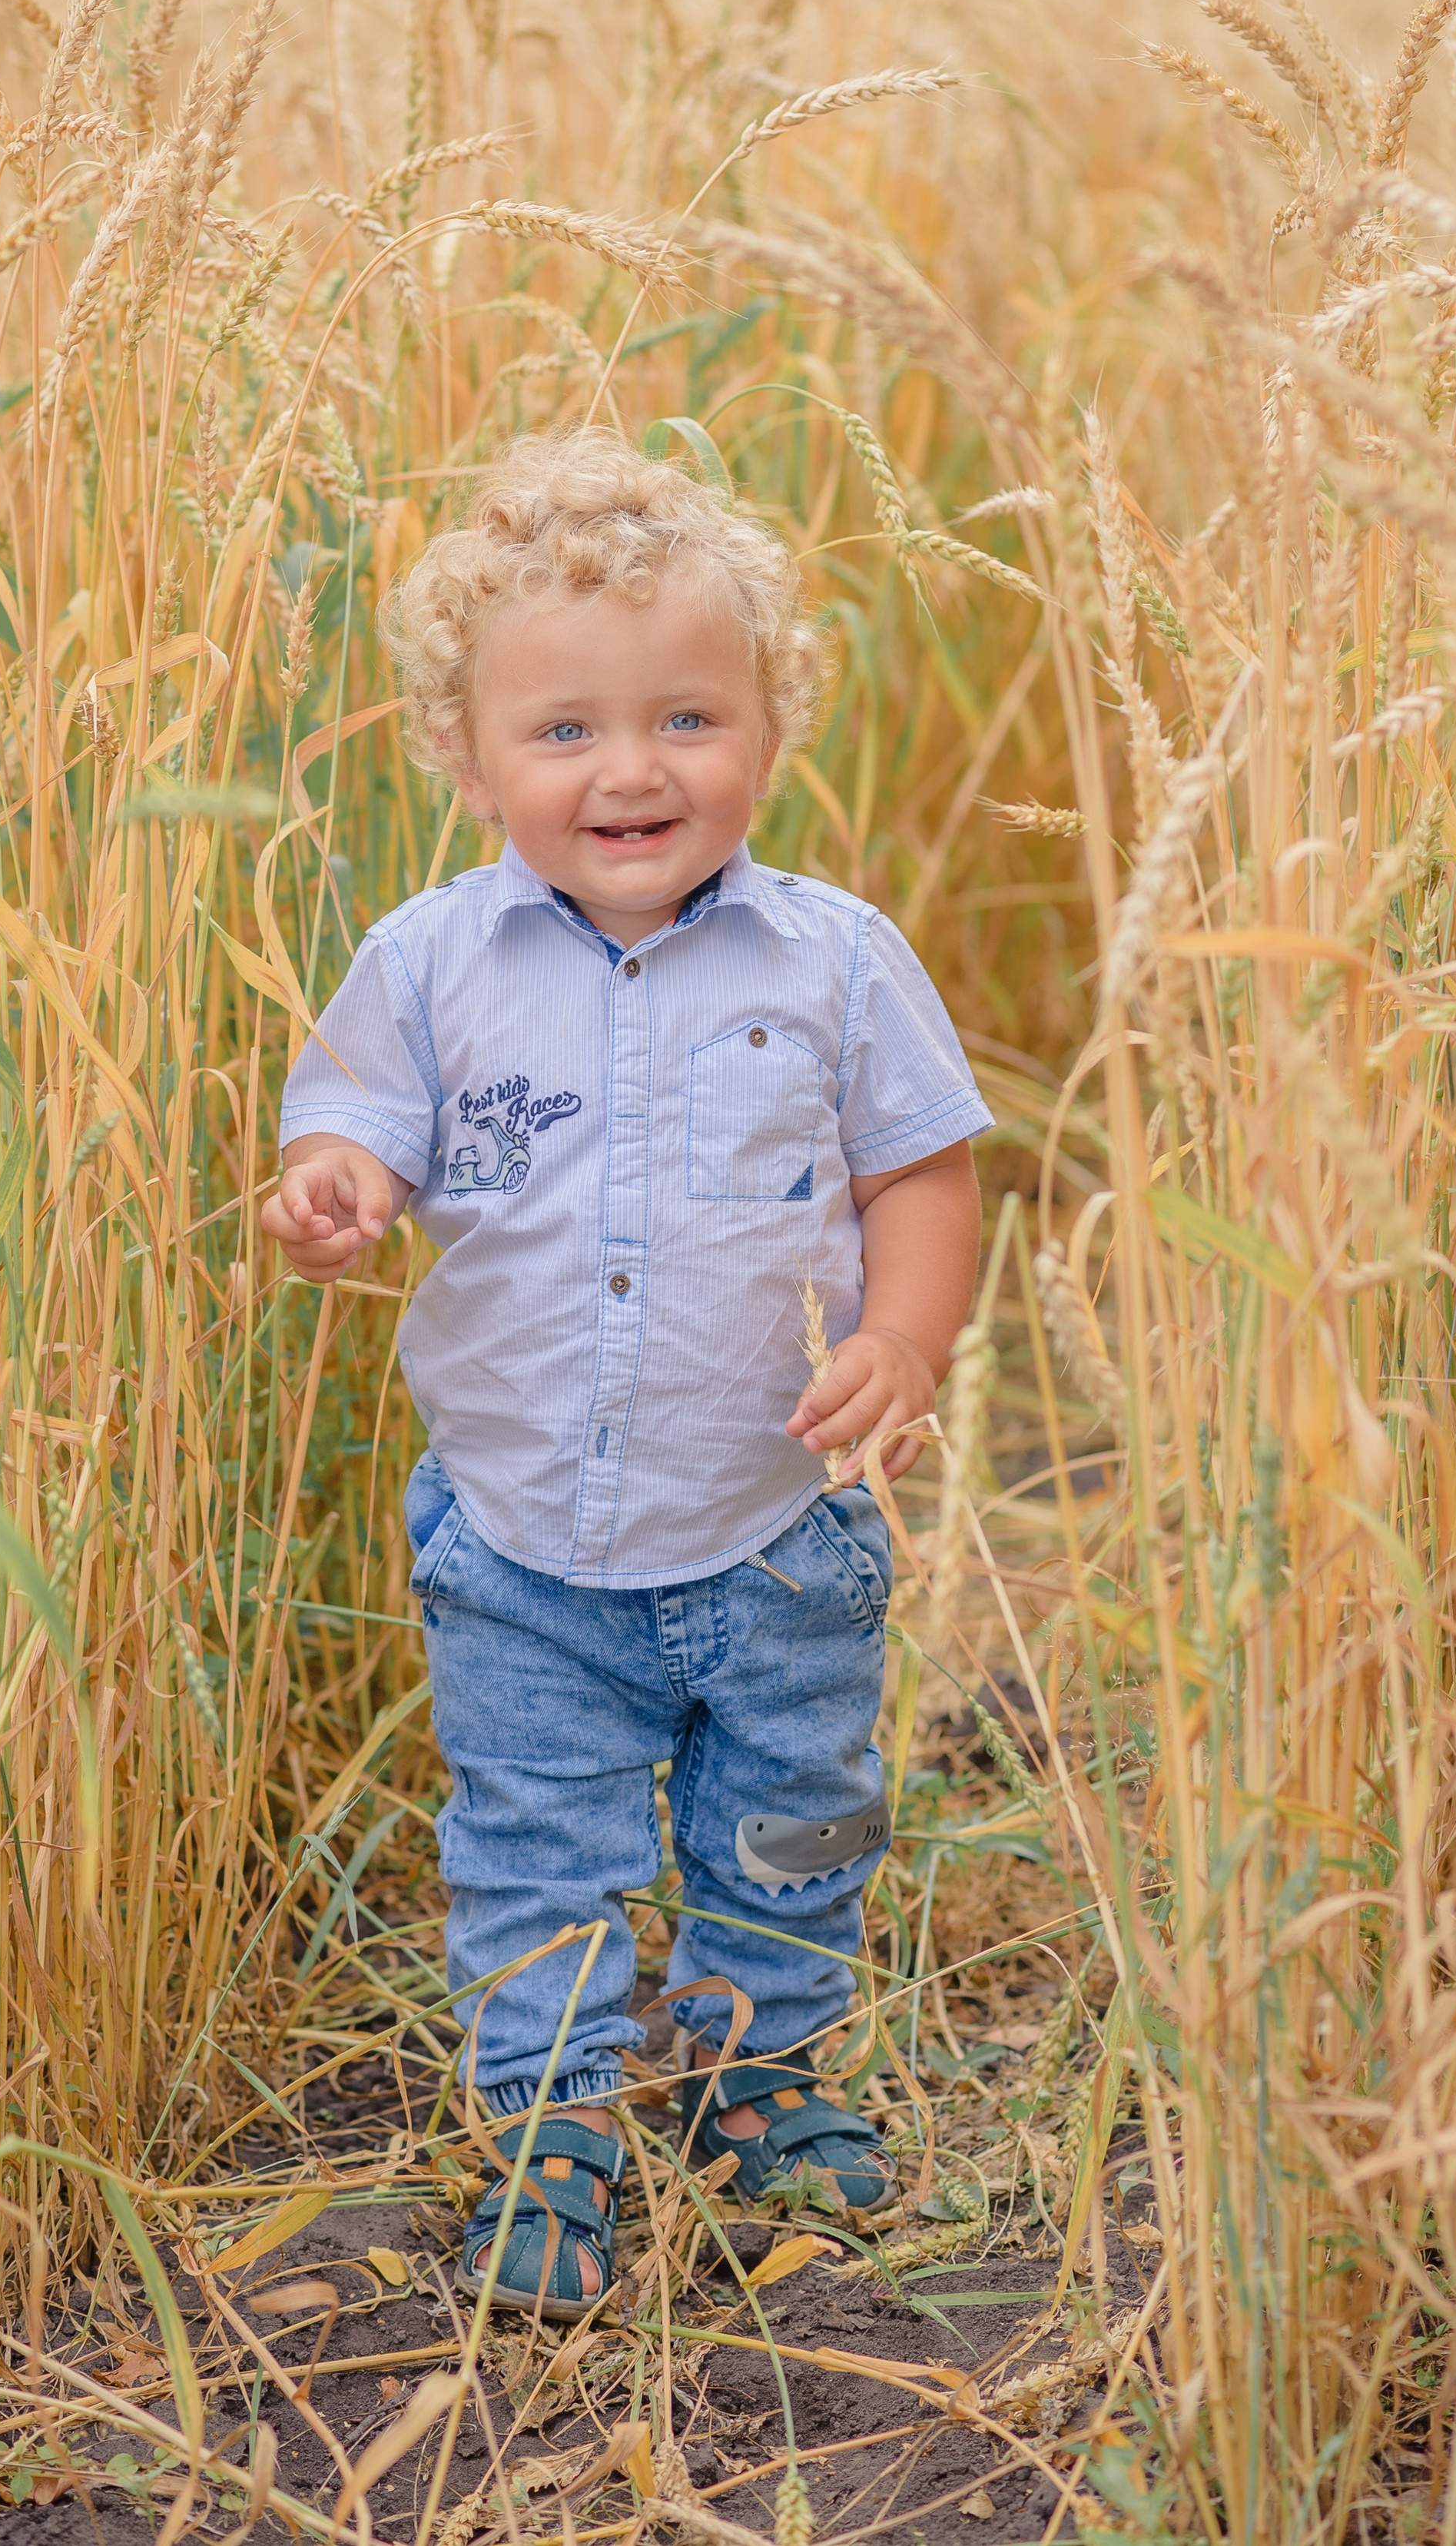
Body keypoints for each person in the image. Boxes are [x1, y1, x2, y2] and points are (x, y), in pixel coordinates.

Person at [261, 430, 990, 2321]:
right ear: (474, 757)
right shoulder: (429, 962)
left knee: (791, 1811)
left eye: (686, 716)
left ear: (767, 727)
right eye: (565, 731)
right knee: (534, 1836)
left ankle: (759, 2070)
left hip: (771, 1521)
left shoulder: (834, 959)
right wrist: (339, 1184)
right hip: (518, 1537)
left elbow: (921, 1168)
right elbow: (356, 1124)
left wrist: (900, 1335)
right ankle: (549, 2114)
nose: (632, 768)